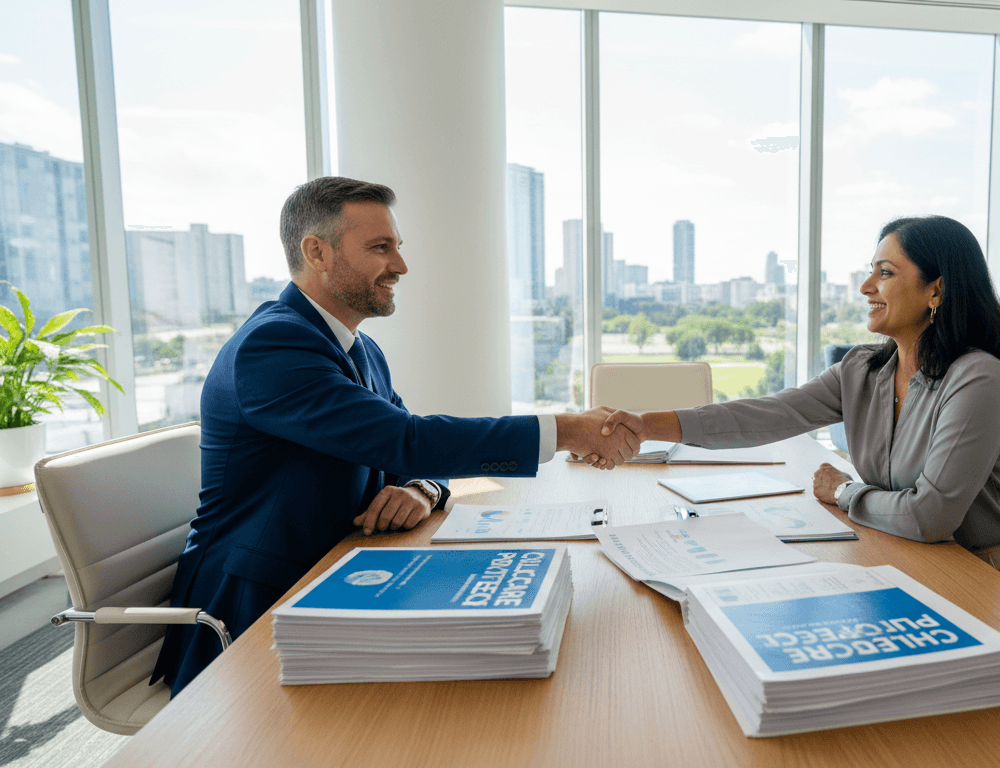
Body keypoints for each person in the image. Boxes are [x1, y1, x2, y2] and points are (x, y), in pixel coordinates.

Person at [152, 177, 638, 695]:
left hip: (344, 570)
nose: (401, 266)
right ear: (316, 251)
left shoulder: (359, 349)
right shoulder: (272, 346)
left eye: (398, 247)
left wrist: (421, 489)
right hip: (256, 607)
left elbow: (405, 453)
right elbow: (406, 439)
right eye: (381, 248)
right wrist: (566, 430)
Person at [599, 215, 1000, 596]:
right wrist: (644, 425)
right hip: (910, 561)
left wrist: (843, 492)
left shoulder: (977, 377)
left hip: (994, 578)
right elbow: (764, 415)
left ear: (936, 291)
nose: (865, 287)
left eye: (885, 273)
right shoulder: (863, 370)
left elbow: (929, 516)